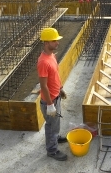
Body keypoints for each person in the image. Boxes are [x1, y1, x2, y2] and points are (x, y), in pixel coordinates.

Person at [37, 27, 68, 161]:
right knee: (51, 125)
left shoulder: (52, 56)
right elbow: (43, 86)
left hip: (55, 97)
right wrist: (50, 105)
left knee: (55, 124)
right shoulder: (43, 62)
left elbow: (55, 76)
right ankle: (52, 150)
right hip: (49, 101)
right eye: (54, 41)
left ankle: (55, 138)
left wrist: (60, 88)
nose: (57, 43)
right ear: (46, 43)